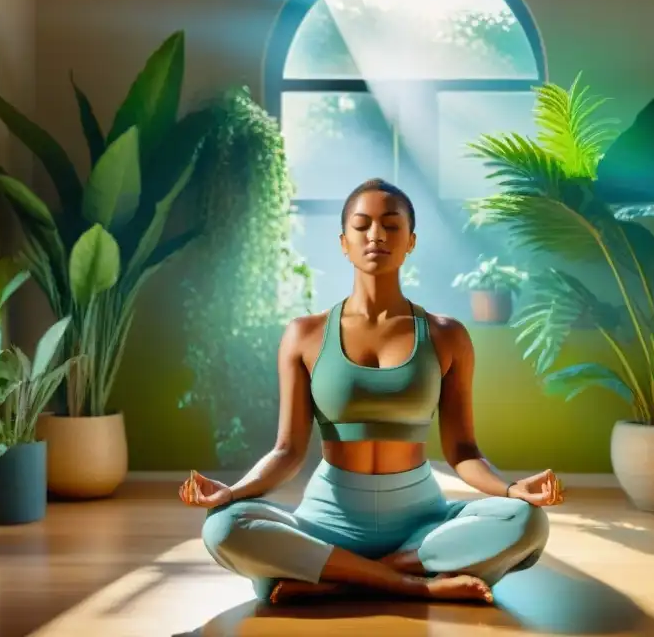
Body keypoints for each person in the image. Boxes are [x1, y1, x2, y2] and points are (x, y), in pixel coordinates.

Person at [180, 178, 563, 606]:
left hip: (421, 525)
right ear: (344, 243)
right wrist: (232, 493)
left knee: (527, 522)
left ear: (411, 242)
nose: (376, 235)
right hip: (327, 522)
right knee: (223, 526)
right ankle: (412, 584)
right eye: (362, 226)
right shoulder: (304, 335)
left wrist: (511, 491)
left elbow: (463, 451)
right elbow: (287, 451)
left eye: (391, 225)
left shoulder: (446, 335)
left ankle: (341, 578)